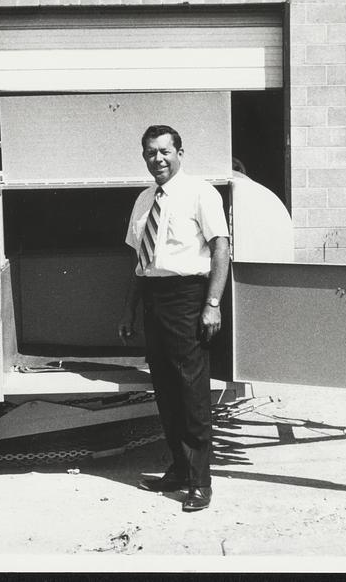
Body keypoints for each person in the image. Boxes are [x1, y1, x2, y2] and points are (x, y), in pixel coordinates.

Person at [118, 125, 230, 512]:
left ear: (180, 153)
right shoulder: (144, 200)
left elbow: (221, 250)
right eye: (151, 152)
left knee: (191, 392)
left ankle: (201, 482)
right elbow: (140, 261)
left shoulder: (201, 193)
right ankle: (180, 469)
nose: (158, 159)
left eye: (165, 151)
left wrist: (212, 303)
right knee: (165, 390)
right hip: (153, 298)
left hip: (188, 298)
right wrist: (130, 309)